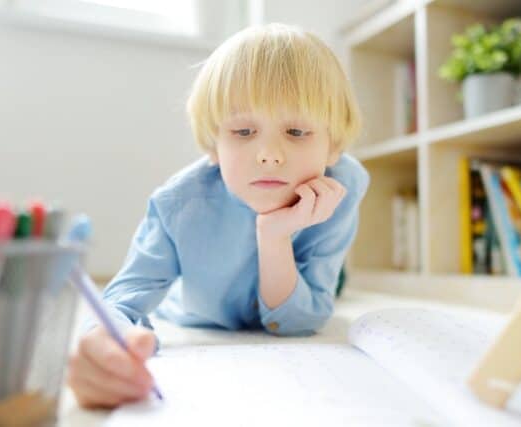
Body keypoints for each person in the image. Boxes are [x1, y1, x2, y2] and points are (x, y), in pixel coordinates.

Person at [67, 23, 369, 409]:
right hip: (200, 307)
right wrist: (106, 344)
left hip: (306, 273)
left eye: (296, 130)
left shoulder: (342, 186)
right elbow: (120, 302)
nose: (269, 155)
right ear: (214, 144)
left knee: (331, 286)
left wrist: (275, 237)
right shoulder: (177, 203)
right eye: (243, 131)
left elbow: (299, 323)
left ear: (333, 147)